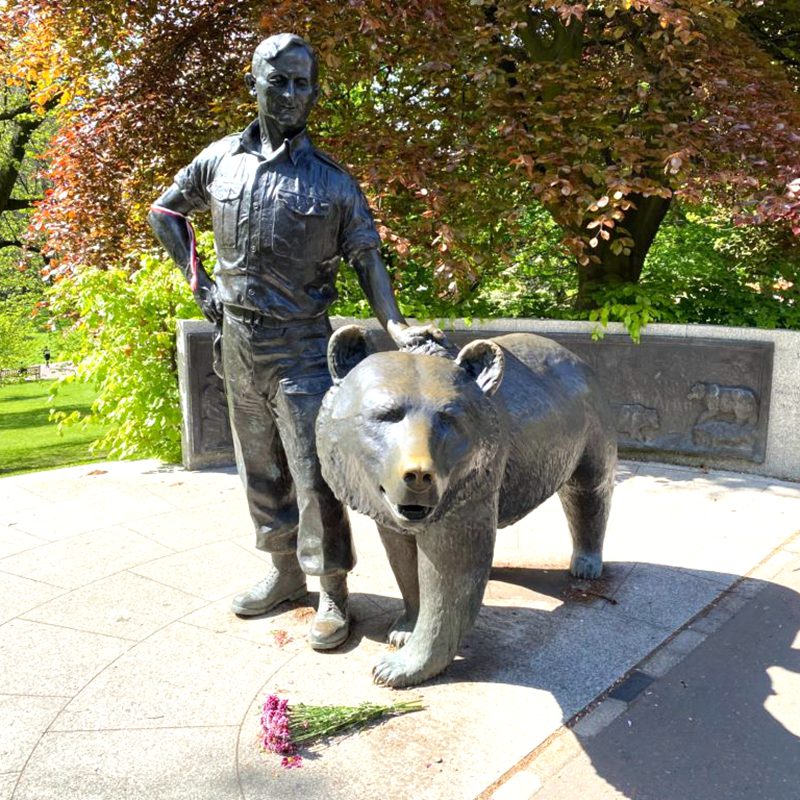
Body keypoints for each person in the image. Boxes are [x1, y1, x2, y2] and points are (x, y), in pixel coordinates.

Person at [148, 33, 442, 650]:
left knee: (314, 476)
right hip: (236, 343)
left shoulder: (331, 181)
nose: (290, 94)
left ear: (314, 92)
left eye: (301, 83)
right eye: (278, 81)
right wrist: (199, 283)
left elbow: (366, 255)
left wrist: (395, 325)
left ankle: (332, 590)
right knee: (260, 470)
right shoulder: (219, 160)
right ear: (253, 84)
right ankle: (284, 573)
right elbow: (166, 213)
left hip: (303, 348)